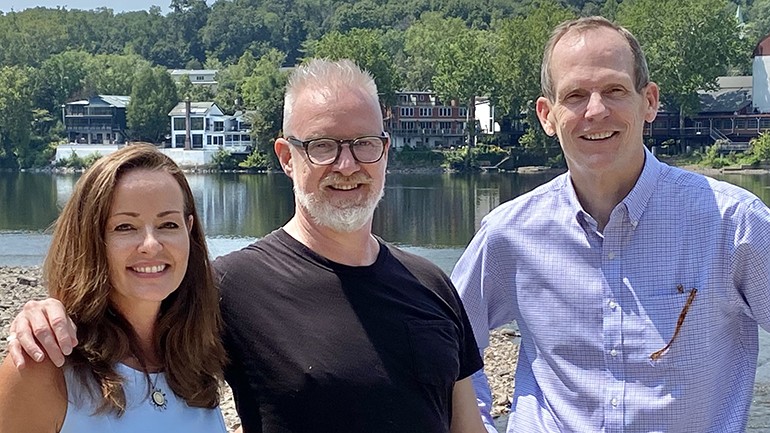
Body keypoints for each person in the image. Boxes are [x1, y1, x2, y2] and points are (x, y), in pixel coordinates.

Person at [6, 59, 486, 433]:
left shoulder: (432, 284)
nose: (346, 164)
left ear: (385, 149)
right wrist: (46, 312)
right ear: (285, 157)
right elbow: (127, 302)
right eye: (322, 145)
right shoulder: (229, 288)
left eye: (364, 144)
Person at [450, 15, 770, 433]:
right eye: (575, 95)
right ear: (547, 115)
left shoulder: (734, 225)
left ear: (649, 102)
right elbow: (446, 344)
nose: (595, 111)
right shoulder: (509, 234)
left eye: (614, 90)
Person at [0, 144, 228, 432]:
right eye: (125, 227)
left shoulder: (197, 358)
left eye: (168, 224)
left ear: (189, 230)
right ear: (91, 238)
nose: (151, 245)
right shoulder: (45, 366)